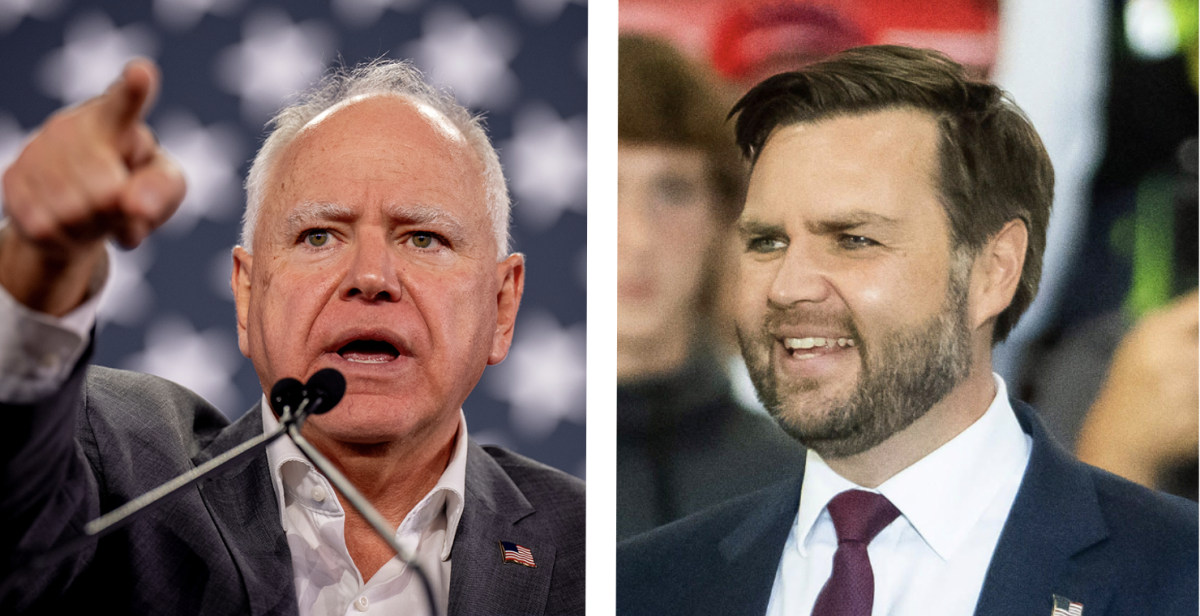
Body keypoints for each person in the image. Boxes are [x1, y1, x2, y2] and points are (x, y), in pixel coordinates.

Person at [617, 45, 1197, 616]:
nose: (788, 286)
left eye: (854, 240)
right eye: (768, 242)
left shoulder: (1179, 573)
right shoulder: (643, 585)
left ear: (993, 271)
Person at [0, 58, 584, 615]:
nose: (371, 278)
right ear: (248, 295)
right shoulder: (119, 471)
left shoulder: (590, 544)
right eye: (319, 236)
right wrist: (38, 271)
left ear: (502, 306)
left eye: (424, 238)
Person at [617, 34, 804, 540]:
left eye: (672, 191)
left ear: (725, 220)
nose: (637, 237)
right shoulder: (477, 474)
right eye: (604, 190)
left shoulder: (799, 488)